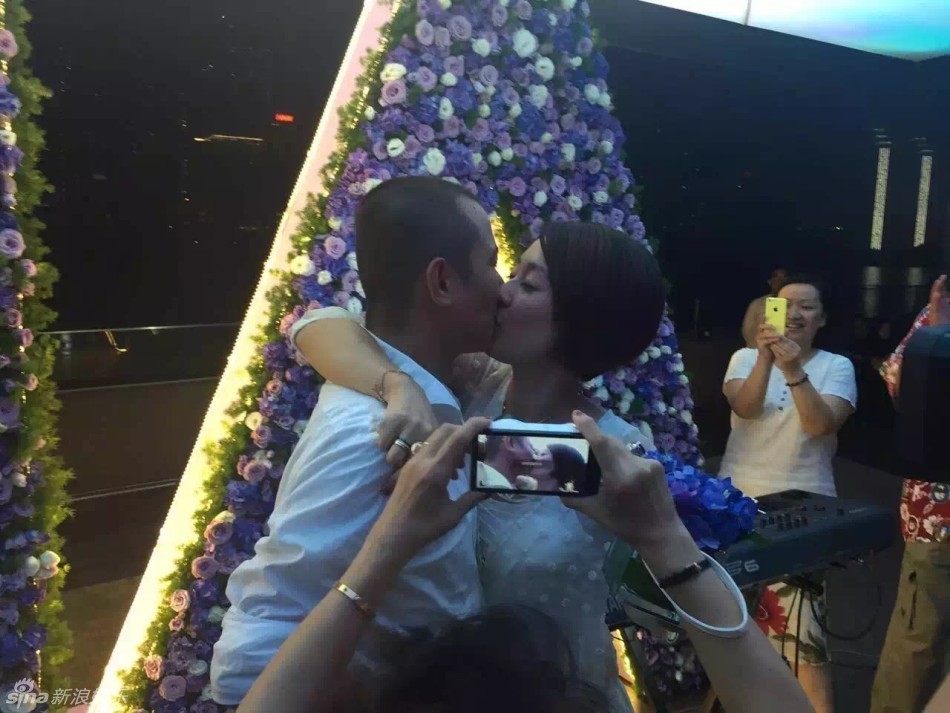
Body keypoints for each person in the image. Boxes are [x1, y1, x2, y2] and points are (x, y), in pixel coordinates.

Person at [290, 220, 666, 711]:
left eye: (528, 285)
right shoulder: (469, 383)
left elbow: (659, 587)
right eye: (512, 274)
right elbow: (319, 325)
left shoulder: (620, 451)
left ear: (581, 318)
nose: (502, 292)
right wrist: (398, 385)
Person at [237, 413, 815, 713]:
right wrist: (667, 542)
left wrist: (385, 548)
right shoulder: (476, 394)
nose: (505, 290)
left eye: (528, 282)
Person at [210, 176, 506, 704]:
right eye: (492, 262)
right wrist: (373, 694)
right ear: (441, 282)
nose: (503, 288)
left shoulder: (442, 392)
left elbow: (322, 321)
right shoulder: (373, 434)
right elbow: (249, 661)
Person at [718, 275, 856, 713]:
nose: (795, 314)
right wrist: (765, 358)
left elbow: (819, 425)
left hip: (804, 513)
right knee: (733, 636)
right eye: (784, 305)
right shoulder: (743, 358)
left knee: (804, 642)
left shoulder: (837, 367)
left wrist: (794, 371)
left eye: (807, 307)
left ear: (822, 319)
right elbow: (745, 407)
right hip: (736, 507)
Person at [871, 274, 950, 713]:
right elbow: (899, 386)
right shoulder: (938, 314)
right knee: (919, 643)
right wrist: (938, 332)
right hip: (939, 516)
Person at [742, 267, 790, 348]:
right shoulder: (757, 304)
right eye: (776, 277)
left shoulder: (795, 304)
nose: (780, 281)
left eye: (784, 277)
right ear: (769, 282)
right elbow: (748, 331)